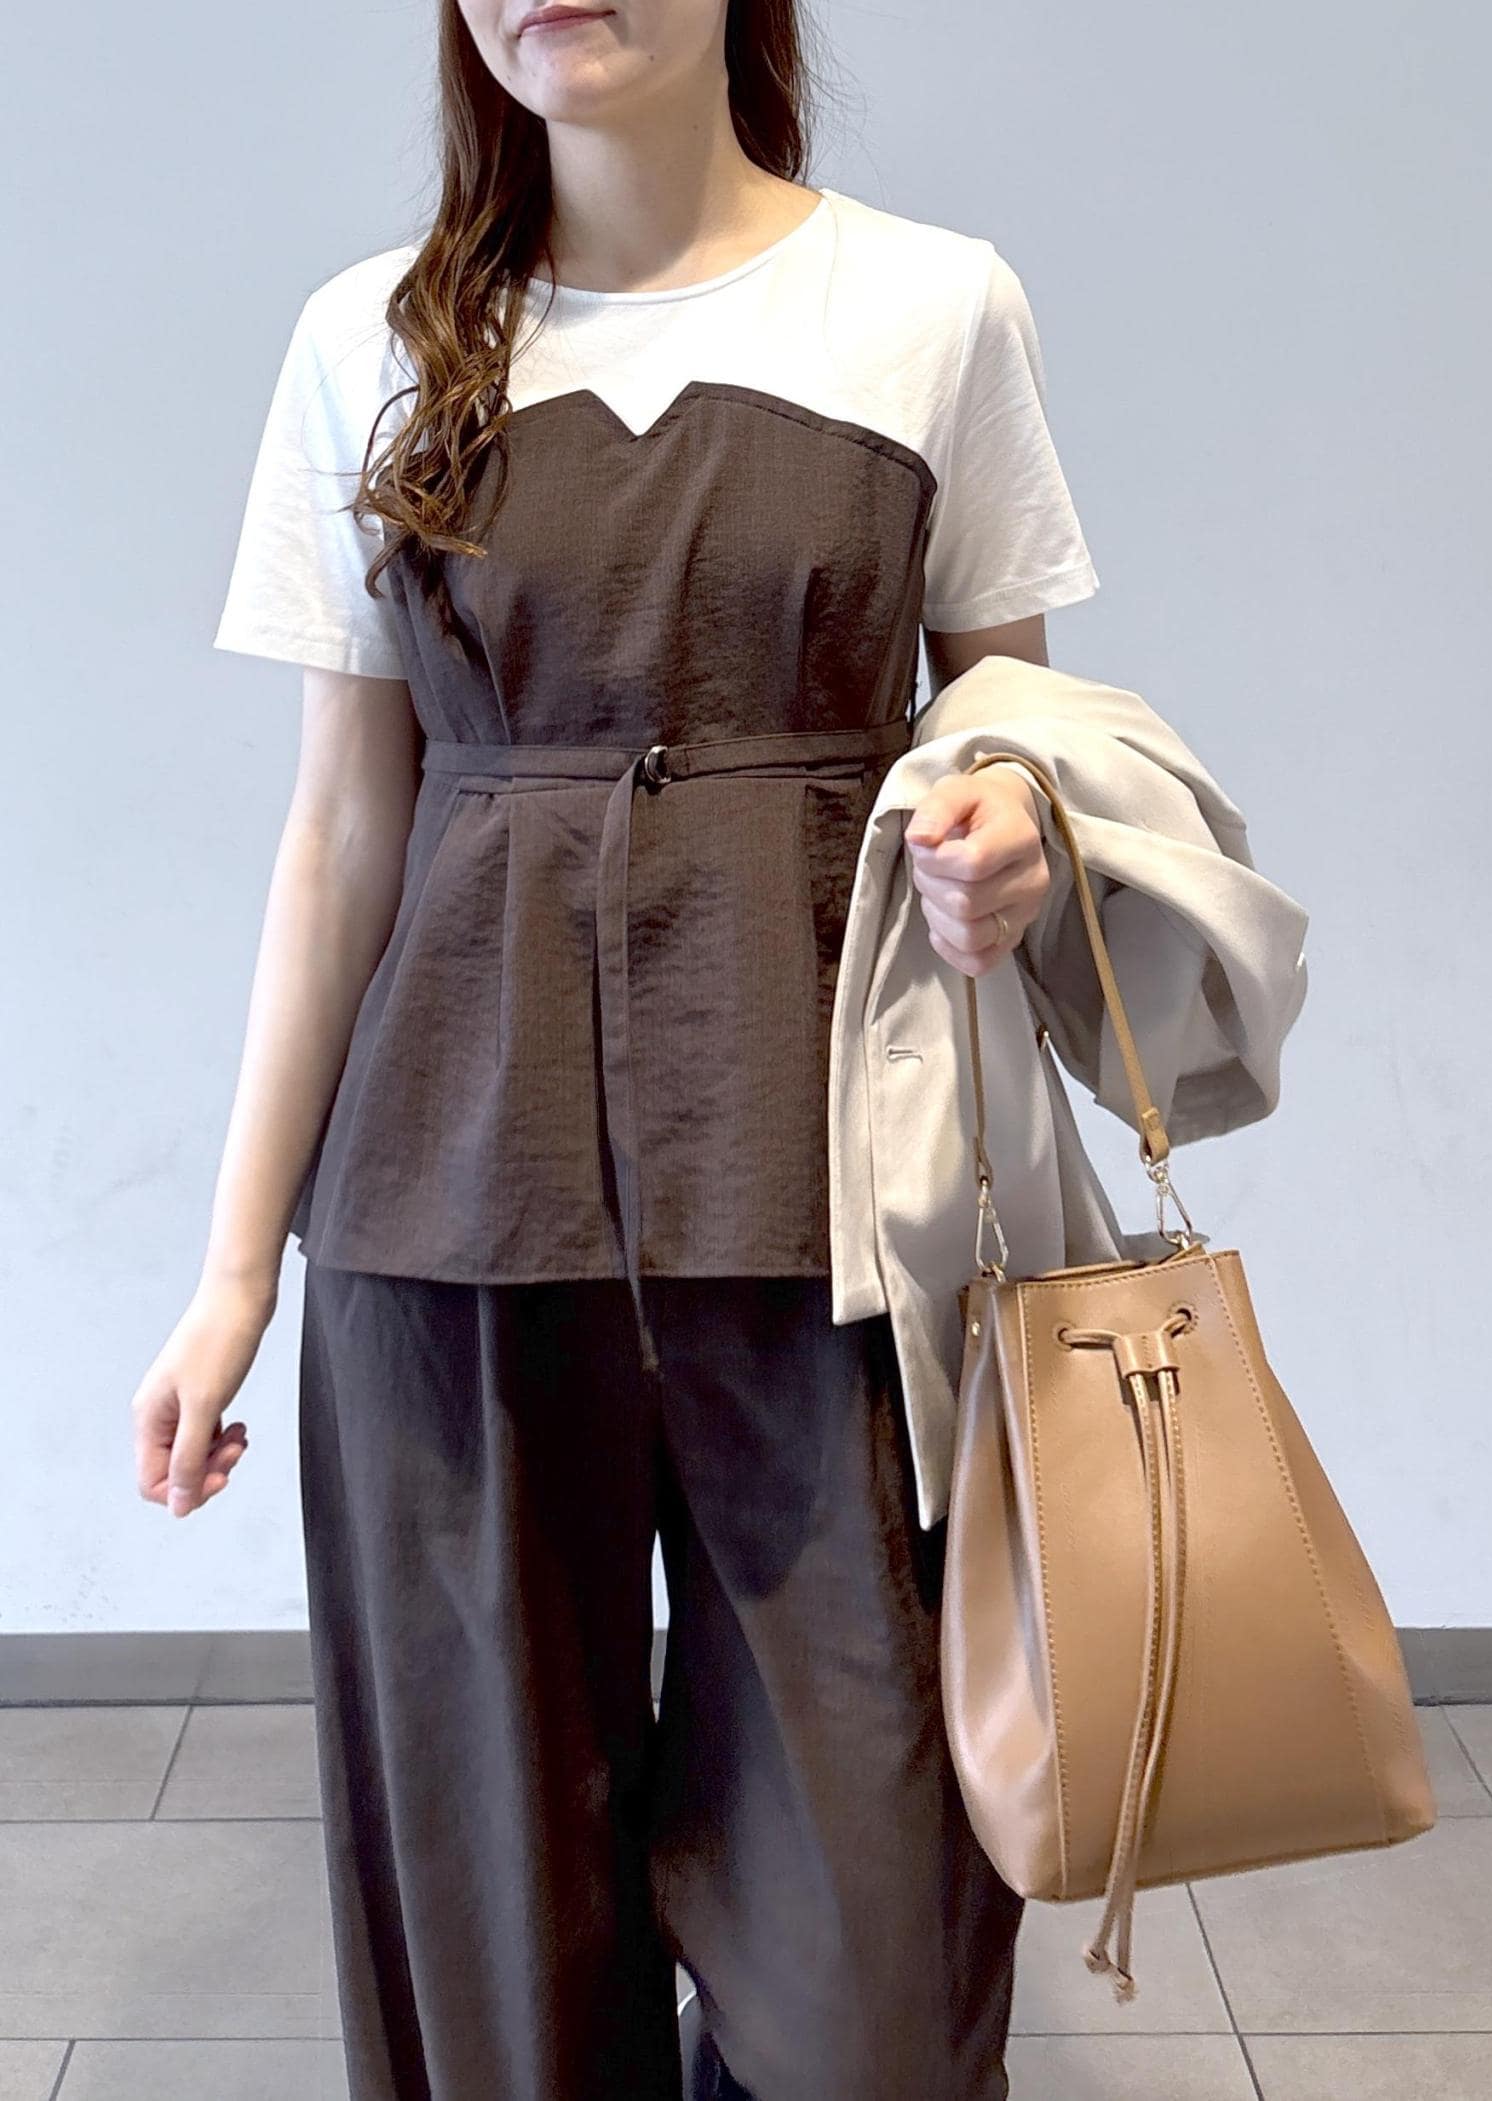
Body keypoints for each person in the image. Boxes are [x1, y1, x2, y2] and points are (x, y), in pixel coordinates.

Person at [129, 3, 1103, 2094]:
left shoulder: (932, 306)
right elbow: (341, 830)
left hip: (840, 1208)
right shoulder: (370, 338)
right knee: (492, 1930)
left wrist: (1016, 817)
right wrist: (230, 1273)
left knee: (874, 1964)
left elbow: (1019, 723)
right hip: (447, 1216)